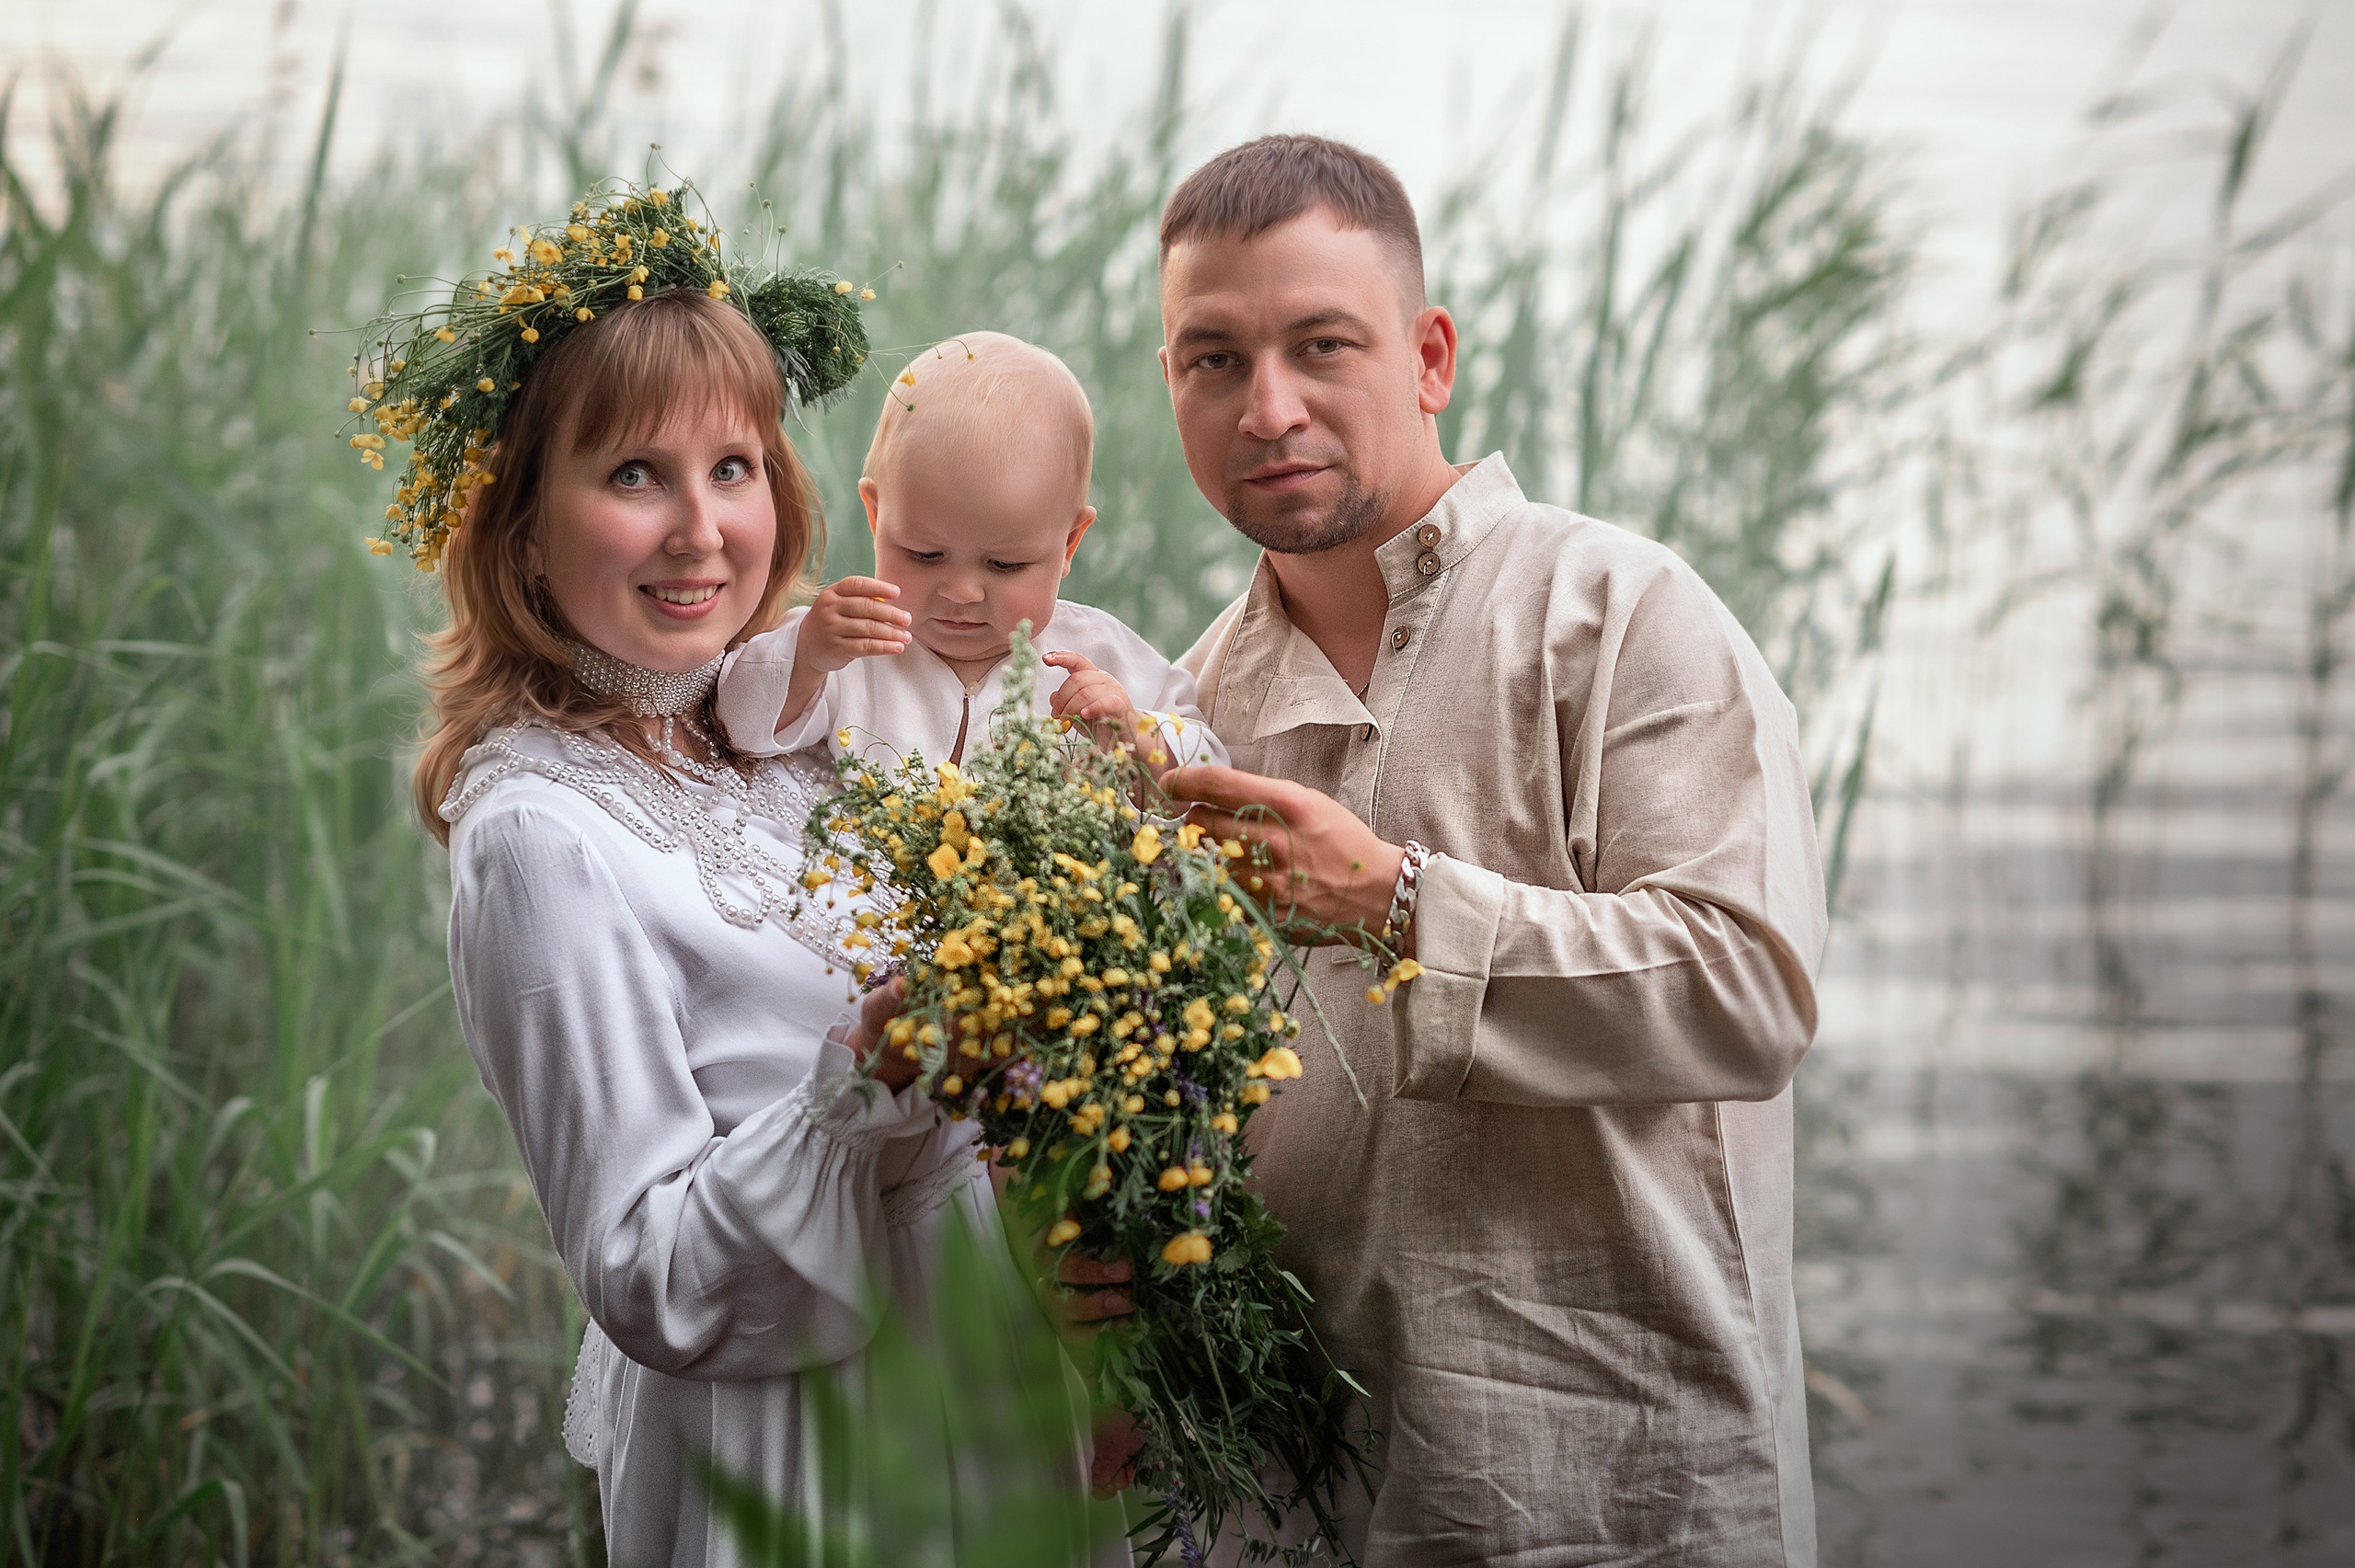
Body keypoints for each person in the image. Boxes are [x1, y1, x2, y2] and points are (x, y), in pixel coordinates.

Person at [1154, 135, 1829, 1567]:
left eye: (1320, 344)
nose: (1267, 406)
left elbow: (1749, 992)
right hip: (1296, 1507)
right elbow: (1182, 1121)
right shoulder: (1187, 709)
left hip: (1618, 1488)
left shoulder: (1621, 614)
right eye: (1213, 359)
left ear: (1429, 355)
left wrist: (1397, 904)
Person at [404, 274, 1028, 1564]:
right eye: (636, 473)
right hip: (803, 1454)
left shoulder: (794, 720)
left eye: (733, 464)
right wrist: (867, 1081)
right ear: (520, 526)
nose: (703, 529)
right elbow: (651, 1270)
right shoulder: (537, 838)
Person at [714, 330, 1223, 779]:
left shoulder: (1103, 655)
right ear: (875, 516)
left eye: (1004, 566)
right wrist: (807, 658)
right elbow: (737, 724)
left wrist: (1133, 734)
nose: (960, 591)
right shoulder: (851, 647)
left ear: (1069, 544)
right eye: (924, 554)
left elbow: (1213, 772)